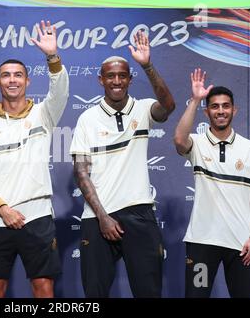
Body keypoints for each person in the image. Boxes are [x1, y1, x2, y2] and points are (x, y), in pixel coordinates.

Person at [0, 20, 69, 298]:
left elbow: (60, 92)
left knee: (43, 286)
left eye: (18, 75)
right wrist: (3, 209)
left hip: (37, 216)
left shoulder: (44, 115)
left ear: (27, 81)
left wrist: (52, 57)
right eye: (6, 75)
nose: (12, 79)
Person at [70, 30, 175, 297]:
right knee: (94, 294)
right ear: (100, 80)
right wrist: (103, 216)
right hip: (97, 217)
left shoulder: (143, 108)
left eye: (122, 75)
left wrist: (148, 65)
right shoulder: (87, 119)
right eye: (110, 76)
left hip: (139, 212)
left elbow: (169, 106)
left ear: (130, 78)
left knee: (148, 291)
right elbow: (81, 173)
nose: (116, 81)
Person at [173, 69, 250, 298]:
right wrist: (195, 99)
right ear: (207, 112)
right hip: (201, 243)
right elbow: (179, 140)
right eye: (215, 106)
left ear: (234, 110)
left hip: (241, 245)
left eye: (225, 106)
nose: (221, 111)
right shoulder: (197, 143)